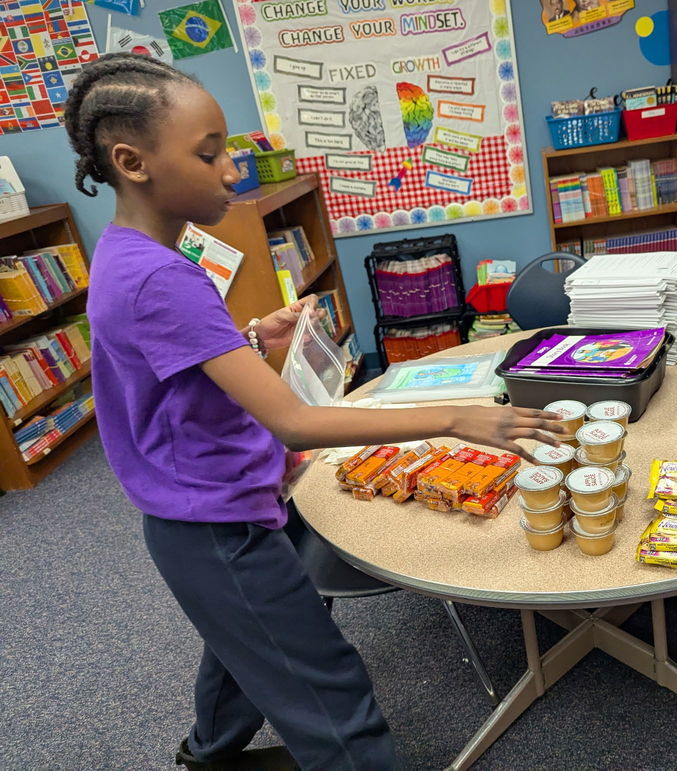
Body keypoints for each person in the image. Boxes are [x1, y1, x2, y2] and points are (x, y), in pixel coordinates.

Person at [64, 53, 568, 771]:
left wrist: (242, 340)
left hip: (206, 507)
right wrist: (457, 418)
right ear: (131, 161)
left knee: (242, 642)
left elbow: (158, 364)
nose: (233, 169)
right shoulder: (160, 279)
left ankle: (207, 752)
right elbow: (296, 423)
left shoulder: (125, 255)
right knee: (335, 700)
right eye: (209, 154)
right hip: (215, 524)